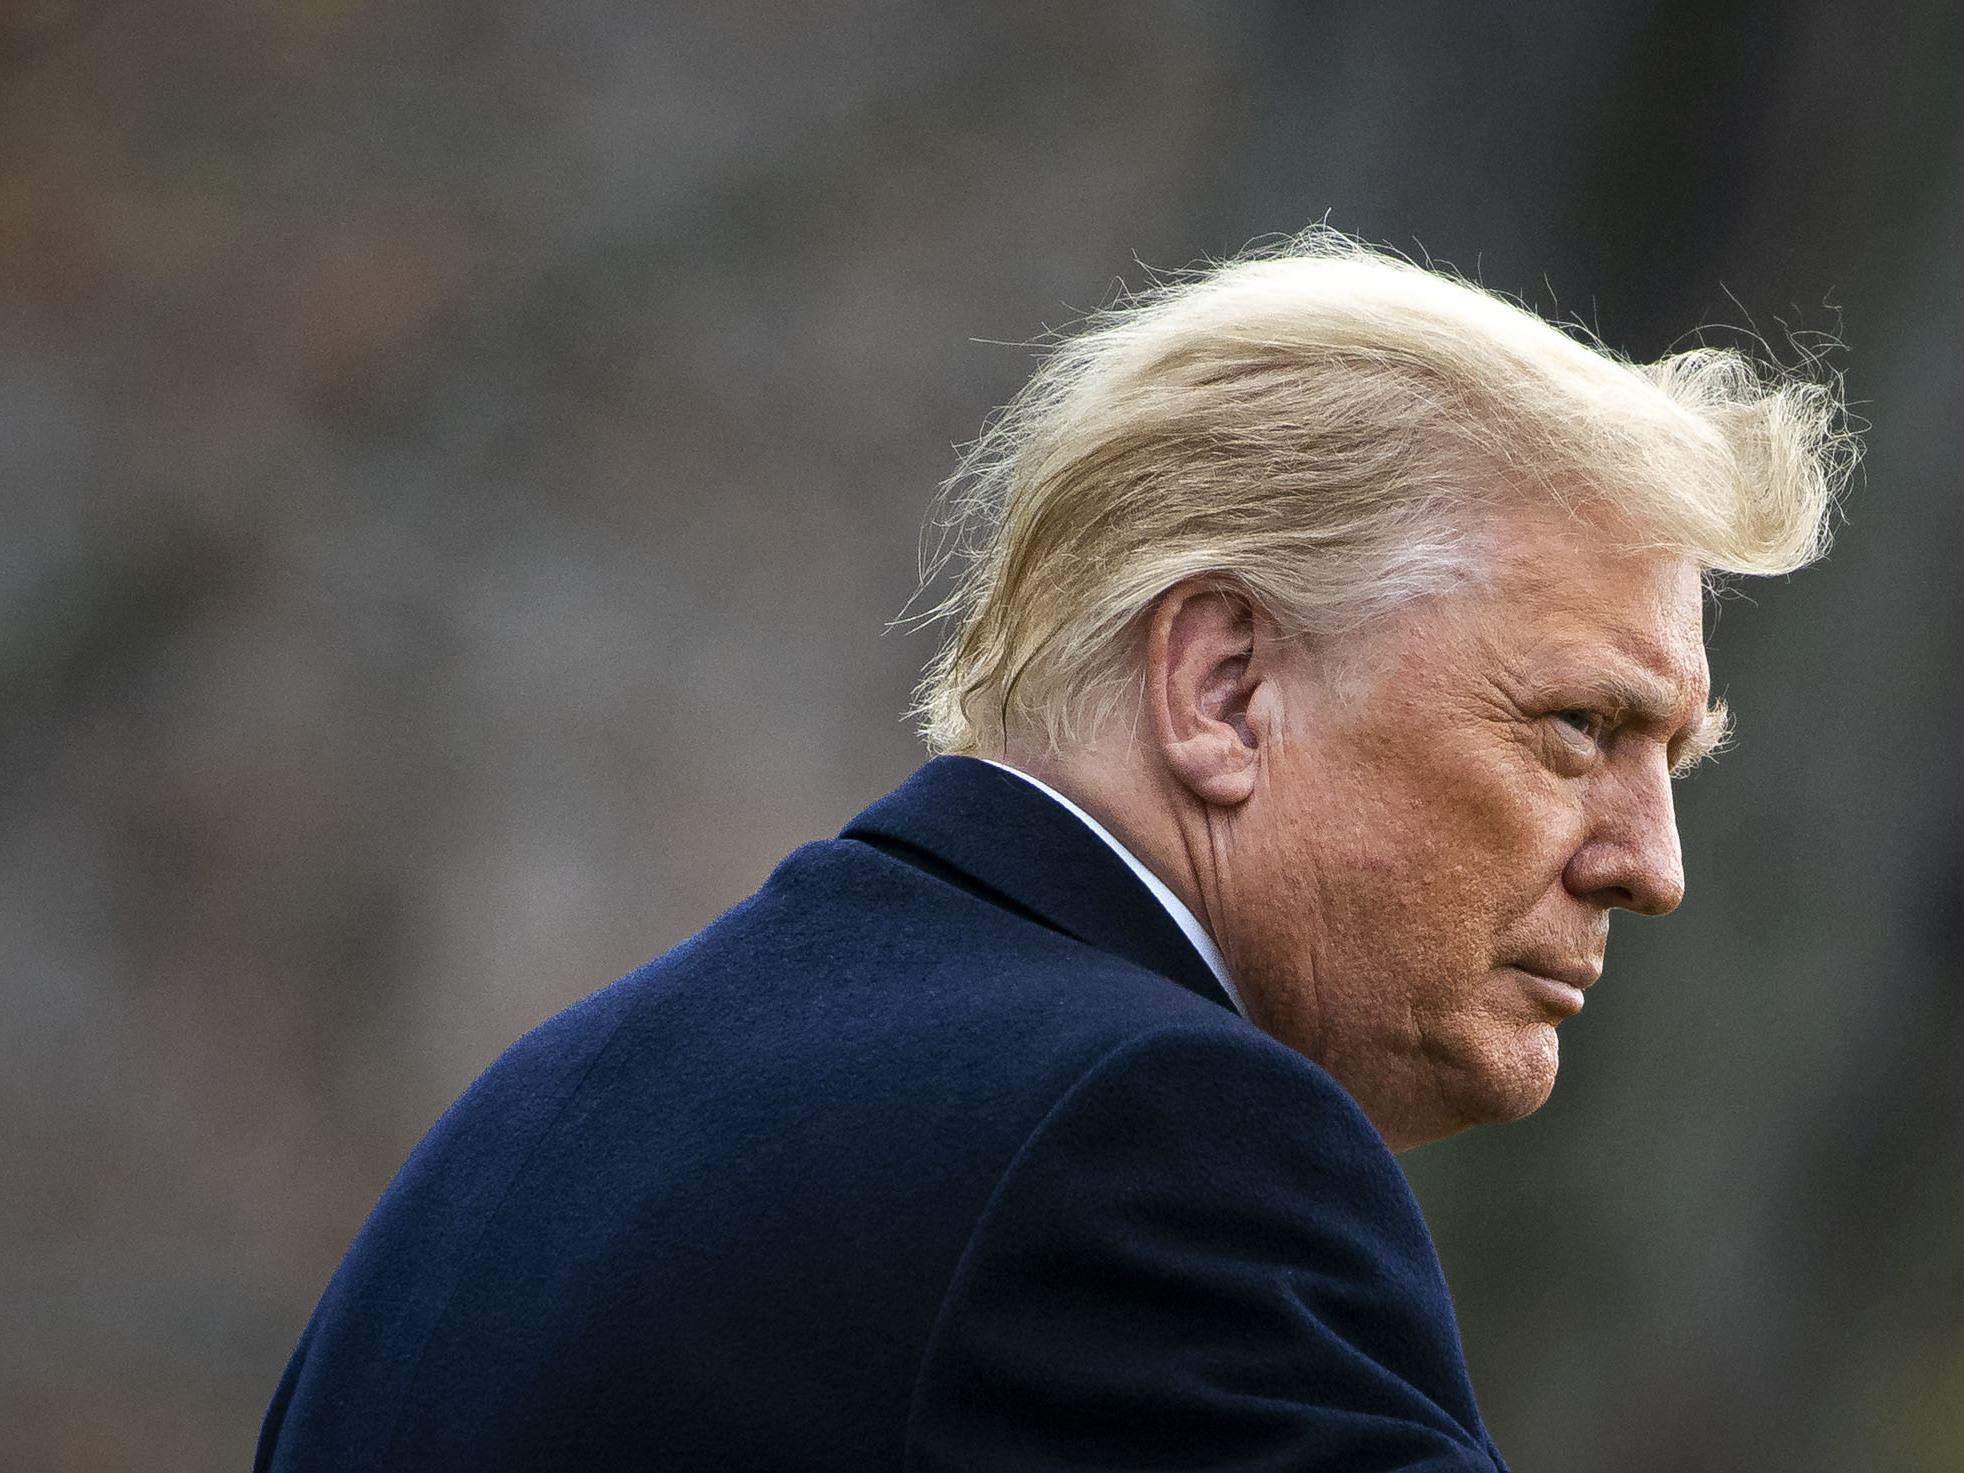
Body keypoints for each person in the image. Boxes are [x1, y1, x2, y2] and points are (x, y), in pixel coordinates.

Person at [254, 233, 1847, 1471]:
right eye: (1578, 725)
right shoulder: (1151, 1148)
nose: (1652, 860)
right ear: (1223, 687)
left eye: (1673, 756)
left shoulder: (533, 1119)